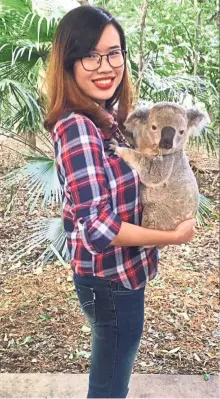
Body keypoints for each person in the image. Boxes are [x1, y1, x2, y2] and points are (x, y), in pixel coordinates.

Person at [44, 6, 196, 398]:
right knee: (110, 383)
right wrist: (173, 238)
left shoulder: (106, 117)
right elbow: (96, 229)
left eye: (114, 53)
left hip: (124, 273)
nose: (105, 65)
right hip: (109, 281)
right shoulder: (78, 127)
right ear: (69, 61)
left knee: (116, 369)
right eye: (91, 55)